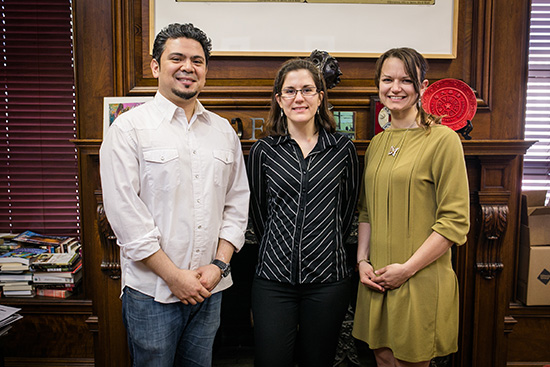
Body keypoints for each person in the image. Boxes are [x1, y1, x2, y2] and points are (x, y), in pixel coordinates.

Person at [99, 23, 249, 367]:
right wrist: (174, 277)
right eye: (177, 58)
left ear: (206, 71)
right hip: (151, 293)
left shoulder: (223, 132)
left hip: (211, 289)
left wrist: (218, 267)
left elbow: (237, 205)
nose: (188, 67)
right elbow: (125, 215)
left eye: (197, 61)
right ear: (156, 66)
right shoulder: (128, 129)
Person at [352, 47, 470, 367]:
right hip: (376, 279)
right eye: (388, 79)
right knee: (383, 358)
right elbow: (367, 212)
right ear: (378, 85)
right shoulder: (377, 143)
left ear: (422, 86)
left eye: (406, 80)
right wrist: (362, 261)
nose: (396, 88)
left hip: (419, 279)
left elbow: (454, 222)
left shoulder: (444, 140)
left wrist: (407, 270)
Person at [247, 58, 359, 367]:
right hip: (273, 280)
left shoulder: (342, 149)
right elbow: (258, 213)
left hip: (327, 281)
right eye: (291, 91)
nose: (300, 98)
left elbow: (347, 210)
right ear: (279, 99)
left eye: (308, 89)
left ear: (321, 97)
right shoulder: (263, 151)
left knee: (317, 362)